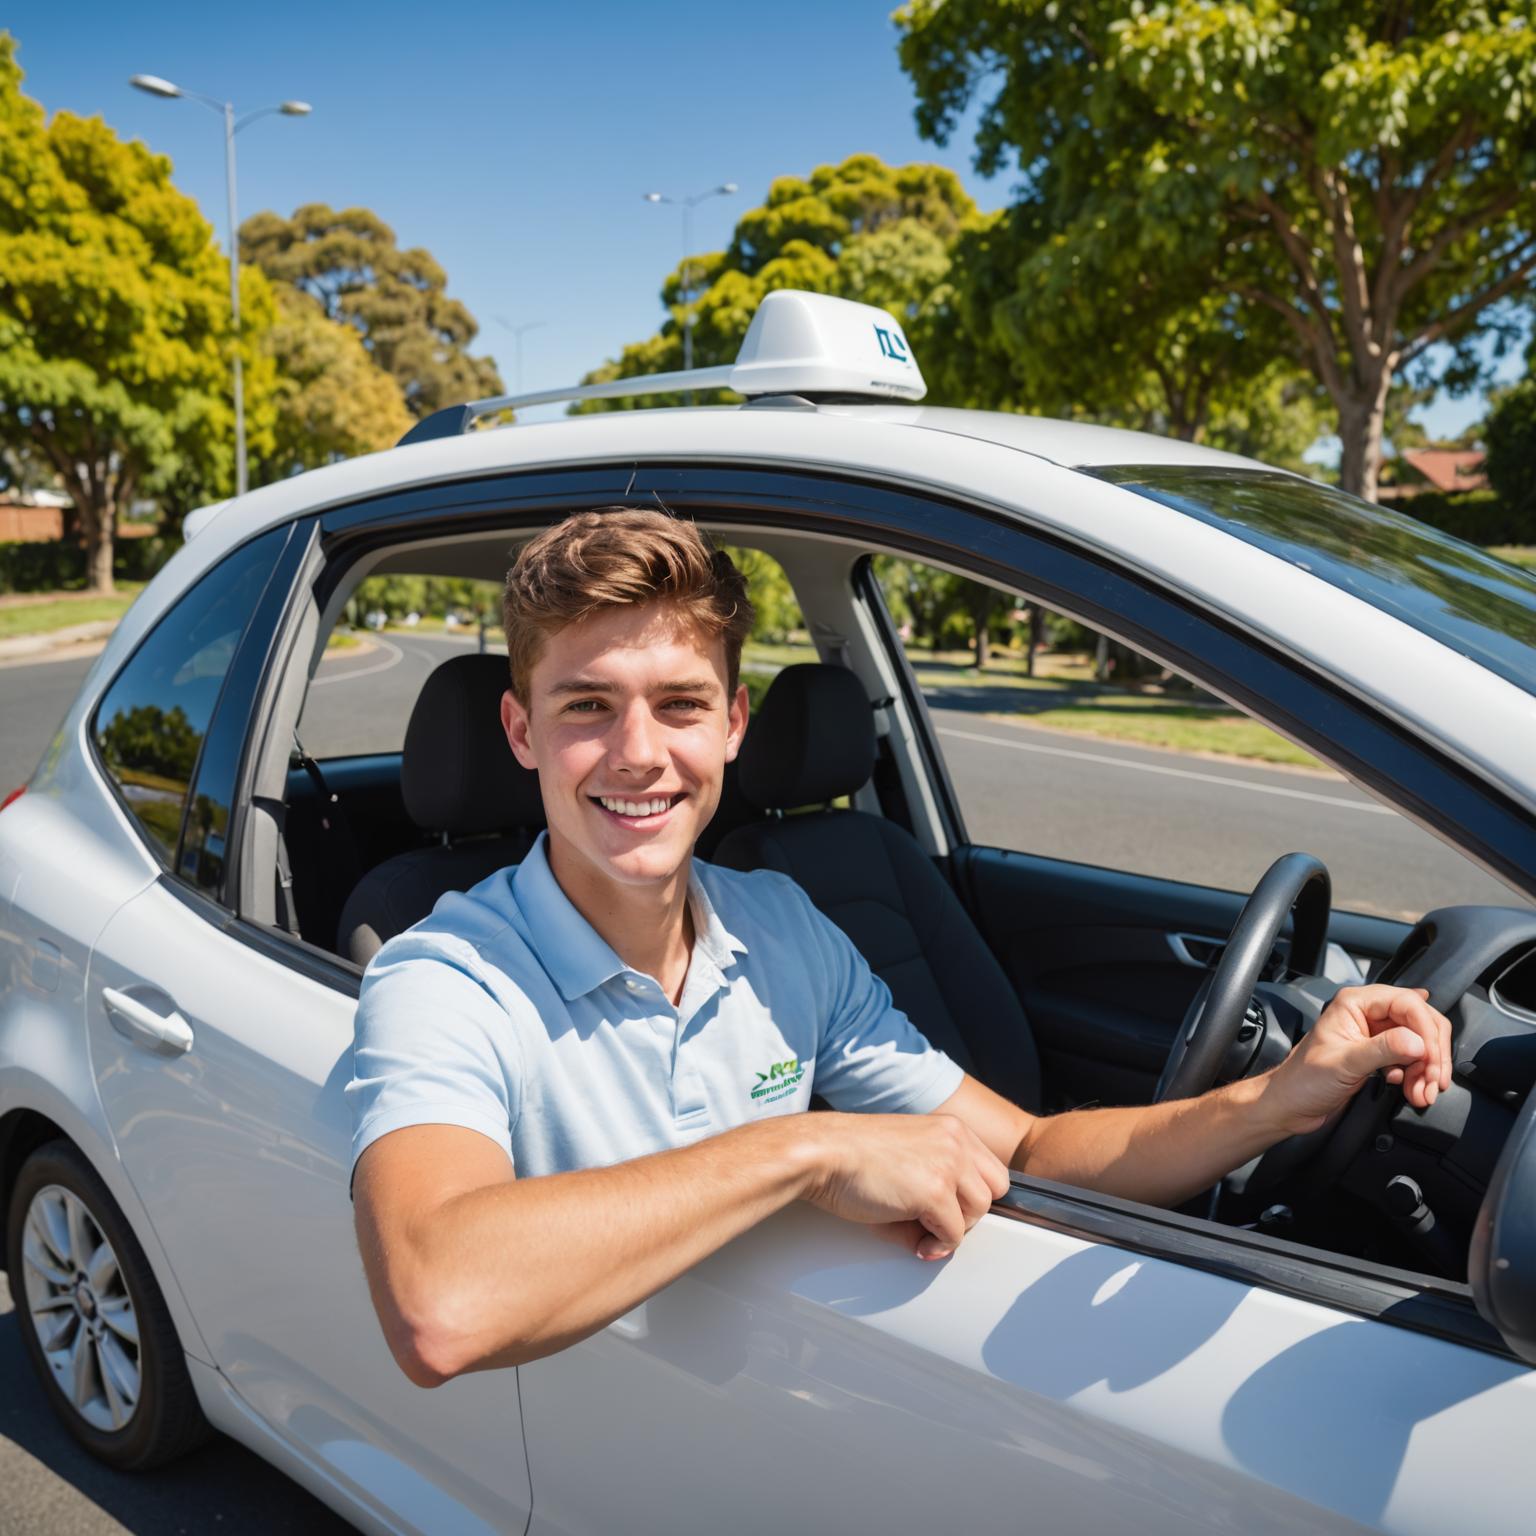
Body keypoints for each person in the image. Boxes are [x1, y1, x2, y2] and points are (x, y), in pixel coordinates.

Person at [347, 508, 1451, 1389]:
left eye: (679, 705)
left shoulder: (781, 924)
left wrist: (1275, 1103)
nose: (639, 754)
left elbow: (1029, 1152)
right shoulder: (445, 974)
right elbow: (441, 1305)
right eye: (587, 705)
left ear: (734, 725)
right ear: (521, 731)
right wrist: (803, 1150)